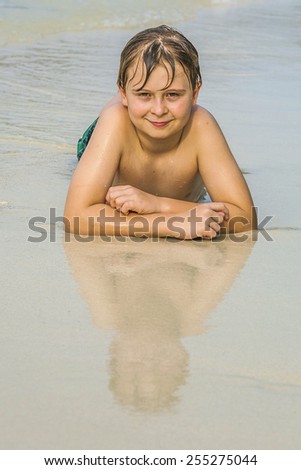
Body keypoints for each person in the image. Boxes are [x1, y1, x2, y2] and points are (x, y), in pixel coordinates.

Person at [64, 25, 257, 239]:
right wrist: (168, 224)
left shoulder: (201, 126)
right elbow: (75, 216)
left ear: (195, 94)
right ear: (123, 94)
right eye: (144, 94)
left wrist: (157, 204)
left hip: (141, 119)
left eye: (173, 95)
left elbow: (246, 219)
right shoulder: (115, 122)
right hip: (115, 132)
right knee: (112, 119)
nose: (159, 110)